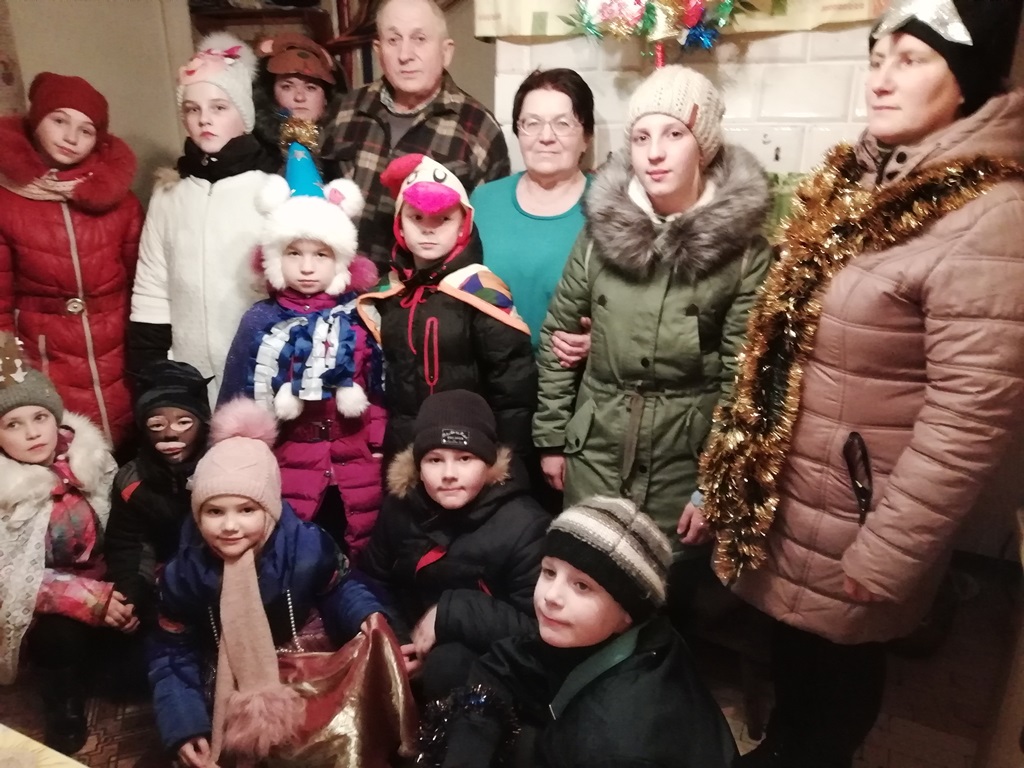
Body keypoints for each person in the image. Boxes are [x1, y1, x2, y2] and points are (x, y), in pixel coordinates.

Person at [699, 2, 1024, 766]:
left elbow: (967, 422)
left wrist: (890, 553)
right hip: (799, 501)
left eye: (910, 60)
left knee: (835, 690)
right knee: (800, 669)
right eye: (877, 58)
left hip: (859, 513)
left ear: (966, 79)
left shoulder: (990, 217)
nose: (881, 78)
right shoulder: (859, 181)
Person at [531, 65, 771, 617]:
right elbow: (560, 337)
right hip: (595, 448)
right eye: (641, 137)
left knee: (664, 602)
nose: (654, 153)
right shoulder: (598, 235)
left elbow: (745, 381)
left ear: (703, 146)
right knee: (585, 587)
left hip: (680, 460)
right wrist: (551, 438)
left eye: (674, 134)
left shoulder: (743, 254)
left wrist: (713, 486)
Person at [147, 397, 388, 768]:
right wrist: (184, 723)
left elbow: (339, 589)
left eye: (247, 510)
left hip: (304, 656)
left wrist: (366, 615)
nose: (230, 526)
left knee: (329, 743)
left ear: (270, 509)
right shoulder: (185, 574)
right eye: (214, 511)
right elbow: (171, 653)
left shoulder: (308, 547)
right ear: (197, 515)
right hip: (229, 670)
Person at [419, 496, 737, 768]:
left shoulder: (613, 742)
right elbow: (507, 663)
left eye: (582, 586)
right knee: (451, 663)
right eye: (549, 571)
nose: (551, 596)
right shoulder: (624, 633)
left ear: (627, 609)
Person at [219, 141, 385, 558]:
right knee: (298, 556)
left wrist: (378, 444)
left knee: (360, 552)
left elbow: (381, 386)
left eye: (321, 254)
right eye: (294, 253)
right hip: (289, 467)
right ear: (275, 258)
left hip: (356, 465)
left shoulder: (361, 315)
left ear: (341, 261)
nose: (307, 267)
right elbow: (239, 399)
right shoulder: (260, 320)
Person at [359, 389, 549, 700]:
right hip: (410, 645)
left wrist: (452, 612)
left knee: (448, 665)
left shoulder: (525, 525)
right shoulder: (400, 507)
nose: (449, 474)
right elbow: (373, 579)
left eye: (465, 458)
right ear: (418, 466)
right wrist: (399, 642)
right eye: (434, 460)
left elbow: (538, 629)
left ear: (488, 463)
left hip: (485, 666)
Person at [357, 154, 537, 464]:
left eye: (443, 219)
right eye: (416, 218)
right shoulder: (385, 296)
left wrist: (510, 467)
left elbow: (514, 395)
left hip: (467, 455)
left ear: (463, 225)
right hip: (402, 453)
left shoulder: (481, 292)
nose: (429, 230)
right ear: (400, 224)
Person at [129, 32, 278, 402]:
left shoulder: (271, 191)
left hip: (259, 369)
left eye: (219, 107)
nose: (204, 119)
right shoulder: (169, 195)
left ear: (243, 115)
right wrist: (150, 367)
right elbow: (152, 285)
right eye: (192, 109)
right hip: (189, 369)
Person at [0, 332, 130, 755]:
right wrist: (91, 600)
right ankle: (63, 705)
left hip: (107, 582)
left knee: (130, 677)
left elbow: (126, 528)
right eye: (13, 425)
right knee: (57, 640)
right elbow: (12, 576)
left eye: (40, 417)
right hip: (49, 603)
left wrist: (129, 587)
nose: (32, 433)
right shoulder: (6, 489)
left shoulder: (90, 458)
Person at [0, 72, 142, 448]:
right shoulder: (6, 201)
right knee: (69, 454)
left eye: (86, 129)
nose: (70, 137)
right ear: (36, 120)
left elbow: (141, 284)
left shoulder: (122, 203)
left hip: (118, 354)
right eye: (59, 120)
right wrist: (11, 379)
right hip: (44, 358)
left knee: (129, 452)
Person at [321, 0, 510, 273]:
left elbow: (488, 240)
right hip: (341, 288)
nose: (405, 54)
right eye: (393, 40)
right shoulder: (345, 111)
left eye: (419, 39)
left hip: (429, 294)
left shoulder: (479, 130)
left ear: (446, 52)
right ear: (378, 50)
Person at [471, 68, 594, 352]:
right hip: (490, 372)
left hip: (572, 374)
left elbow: (638, 308)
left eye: (562, 124)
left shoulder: (612, 208)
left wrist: (603, 342)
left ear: (586, 136)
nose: (546, 136)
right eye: (532, 123)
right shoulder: (484, 202)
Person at [106, 360, 211, 631]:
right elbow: (129, 545)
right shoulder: (132, 481)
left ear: (203, 424)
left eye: (183, 422)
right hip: (160, 585)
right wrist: (132, 598)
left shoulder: (223, 468)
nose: (169, 433)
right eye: (156, 424)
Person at [253, 32, 345, 162]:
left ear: (326, 97)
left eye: (310, 88)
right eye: (287, 87)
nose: (300, 97)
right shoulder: (255, 152)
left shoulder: (346, 143)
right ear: (271, 94)